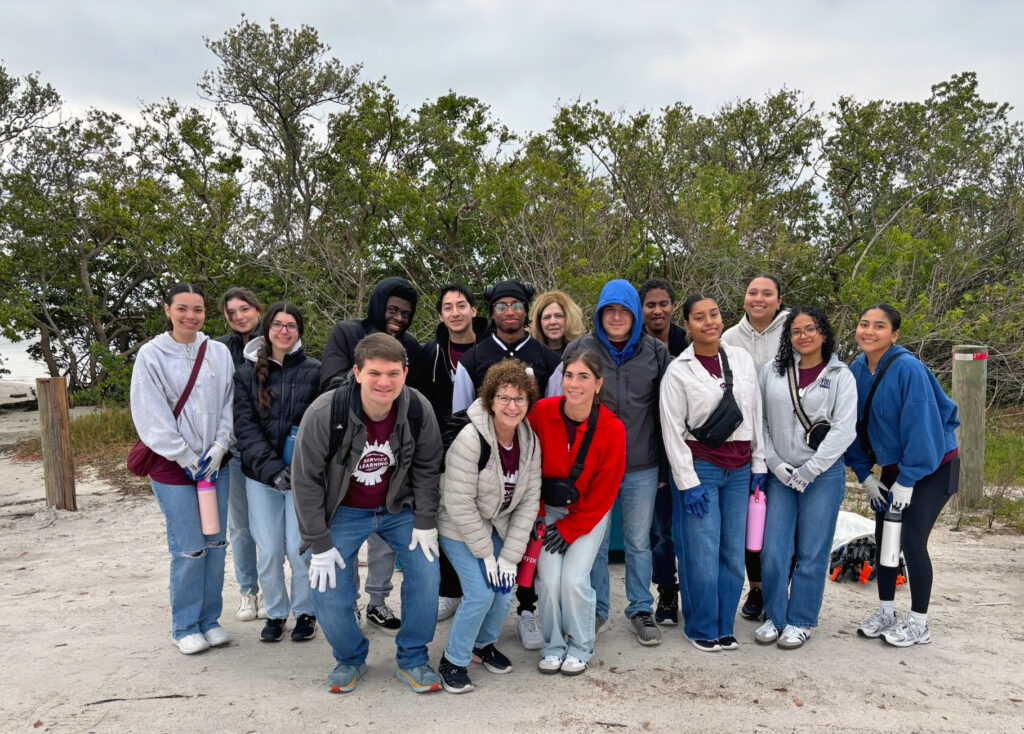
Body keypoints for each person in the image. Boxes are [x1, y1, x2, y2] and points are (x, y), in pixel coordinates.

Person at [292, 333, 444, 694]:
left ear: (405, 373)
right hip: (344, 510)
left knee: (426, 573)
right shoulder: (324, 412)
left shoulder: (418, 409)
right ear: (357, 372)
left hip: (397, 508)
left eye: (393, 373)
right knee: (326, 589)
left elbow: (427, 467)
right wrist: (318, 541)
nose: (384, 382)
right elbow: (306, 481)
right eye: (375, 372)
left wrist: (425, 522)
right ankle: (349, 658)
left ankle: (413, 658)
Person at [451, 278, 562, 650]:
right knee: (483, 539)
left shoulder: (548, 359)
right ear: (492, 312)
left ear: (525, 310)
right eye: (501, 306)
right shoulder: (474, 359)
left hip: (533, 462)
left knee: (527, 537)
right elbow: (459, 416)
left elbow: (559, 413)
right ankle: (476, 612)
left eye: (516, 305)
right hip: (488, 469)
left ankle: (527, 611)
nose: (509, 311)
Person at [845, 304, 960, 647]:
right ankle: (885, 611)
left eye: (879, 326)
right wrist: (864, 474)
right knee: (886, 539)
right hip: (894, 467)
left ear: (894, 335)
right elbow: (852, 425)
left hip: (933, 464)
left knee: (910, 541)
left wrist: (908, 479)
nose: (869, 331)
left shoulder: (908, 368)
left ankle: (919, 623)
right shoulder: (855, 369)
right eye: (864, 324)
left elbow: (923, 429)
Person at [130, 283, 235, 655]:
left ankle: (210, 620)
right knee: (189, 548)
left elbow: (228, 402)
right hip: (173, 465)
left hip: (214, 463)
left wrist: (221, 444)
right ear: (167, 310)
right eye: (182, 308)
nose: (190, 316)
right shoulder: (151, 354)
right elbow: (150, 413)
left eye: (198, 309)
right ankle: (185, 625)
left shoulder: (219, 352)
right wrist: (185, 456)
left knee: (216, 543)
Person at [565, 279, 670, 646]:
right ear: (599, 314)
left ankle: (641, 608)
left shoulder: (655, 351)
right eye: (609, 310)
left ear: (635, 315)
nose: (616, 317)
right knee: (596, 541)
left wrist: (665, 467)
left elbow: (665, 412)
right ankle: (596, 608)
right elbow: (569, 405)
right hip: (594, 467)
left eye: (624, 311)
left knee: (639, 542)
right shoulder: (580, 348)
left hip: (642, 464)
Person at [659, 294, 766, 652]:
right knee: (700, 551)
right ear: (687, 325)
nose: (709, 322)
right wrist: (686, 483)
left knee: (732, 552)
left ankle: (724, 623)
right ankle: (701, 625)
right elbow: (671, 430)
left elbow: (755, 415)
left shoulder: (740, 360)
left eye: (715, 314)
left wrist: (759, 464)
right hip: (700, 468)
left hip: (739, 470)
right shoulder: (679, 369)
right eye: (699, 317)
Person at [320, 276, 424, 634]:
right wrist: (375, 396)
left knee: (384, 538)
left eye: (406, 313)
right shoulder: (347, 333)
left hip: (392, 451)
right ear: (378, 305)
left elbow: (416, 398)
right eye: (392, 309)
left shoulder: (411, 345)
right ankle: (348, 605)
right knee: (345, 537)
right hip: (347, 449)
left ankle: (377, 602)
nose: (398, 317)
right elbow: (331, 380)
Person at [435, 360, 542, 693]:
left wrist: (509, 557)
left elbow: (528, 502)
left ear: (528, 402)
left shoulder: (530, 441)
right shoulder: (471, 437)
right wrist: (486, 555)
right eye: (504, 398)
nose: (512, 406)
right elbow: (459, 503)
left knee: (505, 587)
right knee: (480, 592)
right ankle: (452, 660)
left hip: (496, 524)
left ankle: (482, 644)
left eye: (519, 399)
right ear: (490, 401)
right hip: (457, 525)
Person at [754, 307, 857, 649]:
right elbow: (762, 422)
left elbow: (844, 429)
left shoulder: (841, 375)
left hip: (822, 477)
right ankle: (774, 615)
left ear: (823, 333)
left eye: (810, 329)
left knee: (812, 551)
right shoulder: (773, 372)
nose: (803, 336)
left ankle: (800, 620)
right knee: (773, 552)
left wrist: (810, 470)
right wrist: (776, 464)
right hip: (781, 474)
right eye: (796, 331)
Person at [529, 350, 626, 675]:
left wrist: (571, 528)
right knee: (550, 579)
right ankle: (553, 645)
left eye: (583, 377)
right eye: (569, 375)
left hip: (588, 513)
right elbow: (527, 463)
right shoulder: (542, 413)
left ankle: (581, 645)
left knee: (573, 579)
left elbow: (606, 489)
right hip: (547, 511)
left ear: (598, 383)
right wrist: (539, 514)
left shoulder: (612, 428)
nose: (574, 383)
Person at [233, 302, 321, 643]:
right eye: (278, 325)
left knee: (300, 548)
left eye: (291, 326)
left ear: (299, 331)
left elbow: (320, 427)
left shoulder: (314, 370)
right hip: (261, 477)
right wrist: (272, 471)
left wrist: (300, 470)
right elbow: (245, 428)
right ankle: (275, 612)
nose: (284, 331)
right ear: (266, 328)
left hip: (302, 478)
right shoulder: (244, 374)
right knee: (268, 549)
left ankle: (305, 611)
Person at [721, 274, 790, 621]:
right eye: (752, 292)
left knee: (784, 519)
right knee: (754, 518)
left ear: (779, 300)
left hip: (787, 439)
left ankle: (781, 586)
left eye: (767, 293)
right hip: (745, 441)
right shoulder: (728, 338)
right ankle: (758, 587)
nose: (758, 299)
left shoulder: (794, 330)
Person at [419, 283, 489, 622]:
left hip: (485, 448)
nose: (456, 312)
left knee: (482, 518)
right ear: (441, 315)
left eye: (462, 305)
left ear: (474, 310)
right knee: (445, 518)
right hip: (439, 448)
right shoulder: (429, 353)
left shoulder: (491, 348)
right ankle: (449, 590)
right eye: (448, 307)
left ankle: (484, 588)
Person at [639, 278, 687, 626]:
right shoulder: (634, 343)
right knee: (659, 531)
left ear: (673, 305)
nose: (658, 310)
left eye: (663, 303)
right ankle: (667, 592)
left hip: (690, 447)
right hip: (651, 449)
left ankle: (697, 590)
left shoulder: (689, 340)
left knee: (691, 526)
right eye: (650, 305)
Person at [217, 287, 264, 622]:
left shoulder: (279, 336)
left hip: (270, 447)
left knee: (285, 528)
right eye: (231, 312)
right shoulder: (219, 349)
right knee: (241, 526)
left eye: (244, 308)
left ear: (257, 309)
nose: (238, 316)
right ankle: (249, 591)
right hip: (234, 447)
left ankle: (296, 597)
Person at [528, 290, 586, 357]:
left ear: (569, 319)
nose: (553, 322)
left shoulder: (582, 352)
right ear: (538, 322)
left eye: (559, 316)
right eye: (547, 317)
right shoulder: (528, 353)